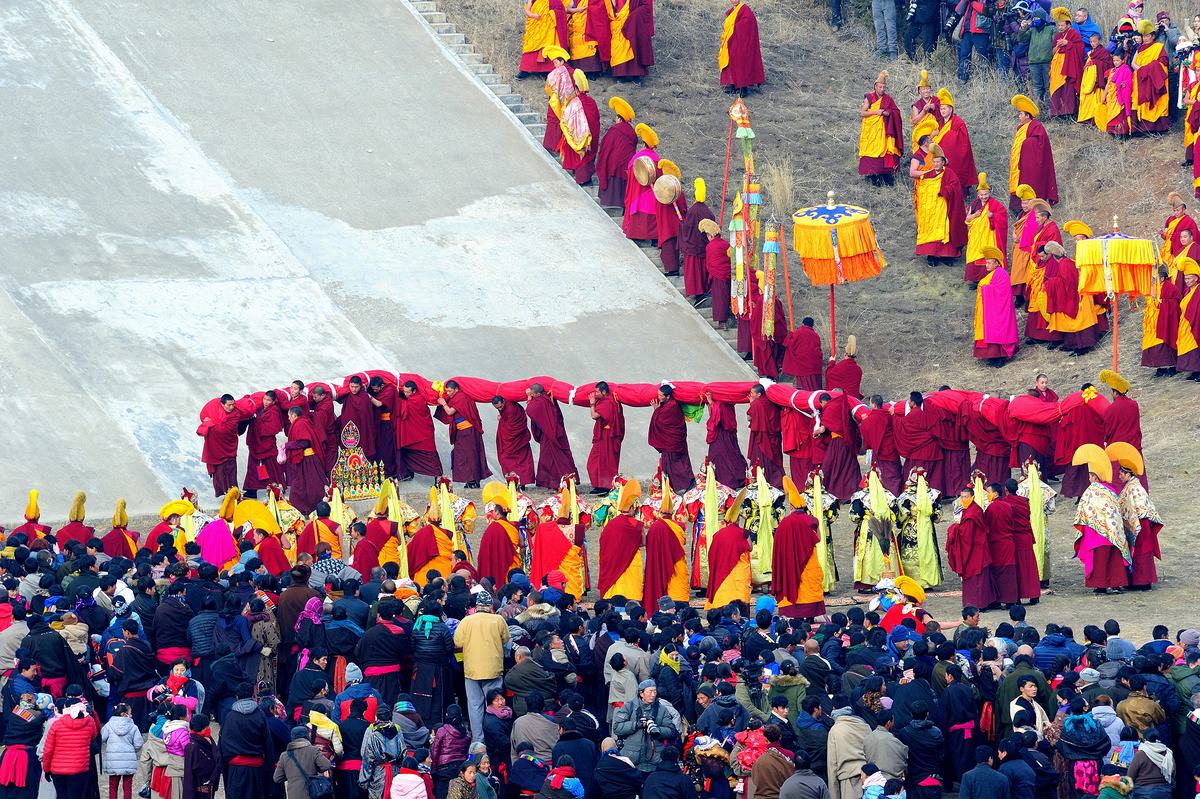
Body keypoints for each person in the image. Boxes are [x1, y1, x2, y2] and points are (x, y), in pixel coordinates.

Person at [1071, 444, 1130, 594]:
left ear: (1095, 476)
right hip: (1113, 531)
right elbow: (1116, 510)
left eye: (1090, 475)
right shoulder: (1111, 490)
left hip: (1095, 533)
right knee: (1113, 558)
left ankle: (1101, 585)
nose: (1089, 478)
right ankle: (1116, 584)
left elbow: (1083, 511)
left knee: (1099, 560)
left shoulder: (1090, 491)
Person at [455, 592, 510, 743]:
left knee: (474, 706)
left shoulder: (466, 621)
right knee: (494, 705)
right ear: (490, 606)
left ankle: (478, 740)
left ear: (477, 606)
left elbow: (458, 642)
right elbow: (506, 639)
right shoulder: (498, 620)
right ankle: (494, 736)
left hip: (472, 671)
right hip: (493, 669)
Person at [772, 477, 827, 619]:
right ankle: (810, 616)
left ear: (791, 507)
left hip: (790, 563)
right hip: (808, 561)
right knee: (808, 586)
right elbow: (819, 538)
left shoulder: (785, 523)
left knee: (793, 585)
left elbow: (778, 545)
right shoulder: (810, 520)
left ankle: (794, 614)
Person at [1110, 444, 1161, 591]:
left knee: (1140, 553)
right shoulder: (1132, 486)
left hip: (1140, 525)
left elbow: (1133, 507)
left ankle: (1142, 582)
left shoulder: (1134, 488)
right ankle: (1140, 581)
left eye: (1121, 473)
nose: (1119, 476)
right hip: (1139, 524)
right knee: (1139, 553)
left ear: (1128, 474)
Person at [529, 488, 588, 599]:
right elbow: (580, 552)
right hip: (571, 572)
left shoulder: (545, 529)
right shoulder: (578, 529)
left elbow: (539, 550)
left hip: (551, 569)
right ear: (570, 514)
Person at [611, 680, 679, 774]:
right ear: (641, 693)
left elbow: (671, 730)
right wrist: (636, 725)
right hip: (632, 758)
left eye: (655, 691)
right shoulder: (630, 707)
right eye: (650, 691)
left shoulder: (662, 709)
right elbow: (617, 728)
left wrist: (657, 730)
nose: (653, 694)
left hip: (655, 758)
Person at [434, 381, 490, 489]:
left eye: (450, 391)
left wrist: (443, 403)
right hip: (461, 432)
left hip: (468, 431)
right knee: (461, 456)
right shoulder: (456, 397)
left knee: (470, 455)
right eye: (447, 391)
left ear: (456, 389)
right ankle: (470, 480)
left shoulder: (462, 397)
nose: (449, 393)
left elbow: (450, 412)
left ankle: (473, 480)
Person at [1008, 95, 1058, 214]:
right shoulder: (1022, 127)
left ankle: (1033, 207)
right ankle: (1019, 208)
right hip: (1020, 164)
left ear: (1027, 115)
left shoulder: (1036, 126)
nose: (1019, 116)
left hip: (1030, 165)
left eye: (1021, 114)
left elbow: (1039, 146)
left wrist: (1026, 145)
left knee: (1030, 183)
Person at [644, 480, 690, 606]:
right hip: (677, 564)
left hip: (659, 564)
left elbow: (649, 547)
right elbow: (683, 541)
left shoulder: (654, 527)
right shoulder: (679, 526)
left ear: (660, 512)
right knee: (678, 589)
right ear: (672, 512)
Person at [43, 699, 100, 799]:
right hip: (80, 768)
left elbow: (48, 750)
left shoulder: (56, 724)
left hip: (58, 769)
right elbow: (93, 735)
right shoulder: (89, 721)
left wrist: (46, 769)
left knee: (61, 796)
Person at [598, 480, 644, 602]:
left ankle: (611, 594)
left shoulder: (611, 524)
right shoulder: (636, 524)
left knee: (615, 578)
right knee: (630, 580)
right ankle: (631, 597)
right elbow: (643, 543)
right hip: (631, 557)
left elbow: (603, 541)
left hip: (613, 559)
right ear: (631, 509)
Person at [525, 384, 577, 490]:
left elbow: (530, 411)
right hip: (550, 433)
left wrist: (530, 400)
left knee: (553, 459)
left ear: (537, 393)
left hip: (551, 434)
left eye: (532, 393)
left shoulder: (541, 401)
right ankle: (554, 483)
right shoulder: (546, 399)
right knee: (552, 459)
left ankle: (564, 481)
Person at [974, 246, 1019, 366]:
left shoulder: (1002, 274)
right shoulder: (992, 274)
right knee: (990, 330)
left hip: (1000, 310)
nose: (986, 265)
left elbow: (1002, 292)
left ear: (997, 263)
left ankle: (1001, 357)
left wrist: (984, 289)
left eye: (989, 262)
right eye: (986, 262)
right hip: (991, 309)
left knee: (999, 330)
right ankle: (993, 356)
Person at [706, 493, 751, 609]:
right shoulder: (743, 533)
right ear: (737, 520)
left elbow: (711, 554)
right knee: (739, 597)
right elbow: (750, 547)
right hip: (739, 571)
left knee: (724, 594)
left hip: (722, 570)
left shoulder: (718, 535)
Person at [199, 394, 250, 497]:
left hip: (228, 447)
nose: (231, 407)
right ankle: (222, 493)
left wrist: (211, 424)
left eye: (233, 405)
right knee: (219, 472)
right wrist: (207, 421)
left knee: (231, 471)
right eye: (229, 405)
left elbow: (225, 430)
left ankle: (233, 494)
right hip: (216, 447)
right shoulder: (214, 408)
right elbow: (203, 414)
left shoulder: (235, 414)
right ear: (222, 404)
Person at [858, 71, 903, 185]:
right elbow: (862, 113)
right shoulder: (870, 97)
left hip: (885, 131)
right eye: (880, 87)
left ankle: (886, 175)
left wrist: (889, 113)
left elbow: (896, 111)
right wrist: (877, 112)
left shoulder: (888, 98)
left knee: (886, 151)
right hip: (872, 130)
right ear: (875, 86)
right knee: (872, 151)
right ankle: (873, 176)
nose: (882, 89)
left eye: (884, 87)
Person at [649, 384, 695, 489]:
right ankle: (687, 482)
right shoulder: (671, 404)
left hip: (672, 443)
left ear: (668, 396)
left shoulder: (671, 407)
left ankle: (681, 486)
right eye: (658, 395)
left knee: (674, 466)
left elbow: (660, 422)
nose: (658, 397)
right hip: (676, 441)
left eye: (661, 395)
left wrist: (656, 410)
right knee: (681, 463)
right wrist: (658, 409)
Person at [397, 381, 444, 481]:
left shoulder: (417, 400)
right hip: (414, 432)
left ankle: (438, 477)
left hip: (423, 433)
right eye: (404, 392)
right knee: (408, 452)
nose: (405, 394)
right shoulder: (412, 398)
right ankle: (408, 473)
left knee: (429, 454)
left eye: (408, 392)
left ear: (414, 391)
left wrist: (398, 399)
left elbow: (403, 409)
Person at [559, 70, 601, 185]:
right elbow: (596, 119)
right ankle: (586, 178)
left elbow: (566, 119)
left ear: (577, 89)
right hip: (591, 135)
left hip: (580, 136)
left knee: (578, 152)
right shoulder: (591, 102)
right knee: (587, 155)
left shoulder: (574, 103)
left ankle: (581, 177)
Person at [932, 89, 977, 192]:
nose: (942, 111)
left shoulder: (958, 122)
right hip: (940, 156)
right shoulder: (939, 122)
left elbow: (962, 142)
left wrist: (947, 138)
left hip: (955, 157)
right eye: (941, 109)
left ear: (951, 109)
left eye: (945, 108)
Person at [595, 97, 636, 208]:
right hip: (626, 164)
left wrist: (603, 157)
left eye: (616, 117)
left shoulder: (615, 130)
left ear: (619, 118)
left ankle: (610, 202)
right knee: (622, 185)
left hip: (613, 163)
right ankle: (621, 203)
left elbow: (606, 145)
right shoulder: (632, 132)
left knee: (611, 175)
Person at [623, 123, 660, 241]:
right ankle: (653, 239)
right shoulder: (657, 159)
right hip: (652, 197)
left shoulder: (637, 157)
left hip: (637, 196)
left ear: (643, 144)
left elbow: (630, 173)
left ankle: (636, 236)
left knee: (637, 212)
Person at [1142, 264, 1182, 374]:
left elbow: (1176, 304)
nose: (1153, 280)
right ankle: (1160, 367)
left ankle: (1172, 366)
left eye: (1155, 277)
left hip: (1165, 320)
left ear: (1162, 277)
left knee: (1166, 342)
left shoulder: (1170, 287)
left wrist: (1162, 304)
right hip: (1153, 322)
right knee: (1152, 342)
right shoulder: (1153, 288)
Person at [1132, 20, 1170, 134]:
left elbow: (1163, 64)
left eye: (1148, 35)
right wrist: (1142, 71)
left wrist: (1147, 70)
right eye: (1143, 36)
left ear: (1153, 36)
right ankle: (1142, 128)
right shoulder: (1140, 48)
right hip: (1141, 78)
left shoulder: (1158, 47)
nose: (1145, 38)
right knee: (1139, 101)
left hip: (1154, 79)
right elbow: (1133, 64)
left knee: (1159, 102)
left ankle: (1158, 128)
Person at [585, 382, 624, 493]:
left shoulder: (607, 402)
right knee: (593, 463)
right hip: (603, 436)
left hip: (608, 437)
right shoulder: (605, 401)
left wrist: (592, 404)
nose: (595, 394)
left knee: (606, 462)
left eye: (597, 392)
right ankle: (598, 485)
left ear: (604, 392)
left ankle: (605, 487)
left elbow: (594, 416)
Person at [274, 725, 332, 798]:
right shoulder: (313, 750)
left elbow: (277, 778)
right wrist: (315, 769)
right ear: (307, 736)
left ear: (292, 738)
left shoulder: (284, 755)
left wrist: (291, 776)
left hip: (293, 795)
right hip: (311, 793)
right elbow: (326, 765)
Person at [490, 397, 535, 489]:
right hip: (514, 439)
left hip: (517, 438)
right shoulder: (506, 407)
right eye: (497, 408)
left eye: (501, 406)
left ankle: (520, 482)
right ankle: (514, 482)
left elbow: (511, 427)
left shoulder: (511, 409)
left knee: (507, 458)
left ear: (503, 401)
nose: (499, 409)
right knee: (512, 459)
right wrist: (502, 417)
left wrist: (501, 419)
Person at [719, 0, 764, 91]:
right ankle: (733, 85)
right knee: (730, 61)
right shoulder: (732, 10)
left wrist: (734, 28)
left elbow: (749, 23)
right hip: (732, 40)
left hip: (741, 41)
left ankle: (743, 88)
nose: (734, 0)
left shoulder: (745, 9)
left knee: (741, 62)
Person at [827, 705, 871, 799]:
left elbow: (832, 765)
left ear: (834, 709)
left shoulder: (835, 730)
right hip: (869, 776)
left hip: (847, 779)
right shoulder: (865, 726)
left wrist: (834, 795)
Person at [102, 703, 144, 799]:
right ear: (124, 714)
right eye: (130, 713)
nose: (131, 715)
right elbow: (138, 743)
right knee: (127, 787)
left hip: (113, 760)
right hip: (128, 760)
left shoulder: (108, 725)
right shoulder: (133, 727)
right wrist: (132, 751)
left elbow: (102, 738)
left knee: (113, 787)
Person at [1049, 7, 1086, 117]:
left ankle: (1068, 112)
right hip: (1057, 67)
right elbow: (1053, 51)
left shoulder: (1074, 34)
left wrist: (1067, 43)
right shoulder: (1057, 36)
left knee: (1067, 90)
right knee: (1056, 89)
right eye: (1059, 25)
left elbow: (1080, 48)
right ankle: (1056, 112)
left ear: (1069, 25)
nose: (1060, 28)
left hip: (1068, 66)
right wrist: (1057, 47)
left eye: (1062, 25)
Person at [608, 0, 653, 80]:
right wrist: (613, 10)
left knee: (634, 43)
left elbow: (646, 5)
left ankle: (636, 75)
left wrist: (633, 15)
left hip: (633, 18)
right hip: (618, 17)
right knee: (619, 46)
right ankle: (620, 75)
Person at [520, 2, 568, 76]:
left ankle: (548, 71)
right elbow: (527, 11)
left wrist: (553, 13)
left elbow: (562, 10)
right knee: (531, 45)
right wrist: (534, 15)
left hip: (549, 24)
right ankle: (525, 70)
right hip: (536, 25)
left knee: (549, 43)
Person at [1078, 34, 1113, 126]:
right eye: (1091, 42)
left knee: (1097, 100)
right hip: (1089, 81)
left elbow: (1108, 65)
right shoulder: (1090, 53)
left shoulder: (1104, 52)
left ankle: (1096, 118)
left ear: (1099, 41)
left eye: (1095, 41)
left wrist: (1095, 63)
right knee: (1088, 100)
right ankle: (1087, 119)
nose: (1093, 43)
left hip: (1098, 83)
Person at [781, 318, 825, 390]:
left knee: (804, 386)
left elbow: (788, 344)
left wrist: (790, 335)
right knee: (814, 384)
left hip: (802, 363)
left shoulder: (798, 332)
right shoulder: (816, 335)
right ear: (812, 325)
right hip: (814, 363)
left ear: (803, 324)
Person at [1178, 257, 1200, 380]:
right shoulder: (1188, 291)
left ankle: (1199, 372)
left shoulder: (1198, 290)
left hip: (1195, 322)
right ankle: (1194, 370)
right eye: (1185, 278)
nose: (1187, 281)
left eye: (1189, 278)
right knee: (1189, 347)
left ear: (1196, 278)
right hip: (1186, 323)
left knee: (1195, 346)